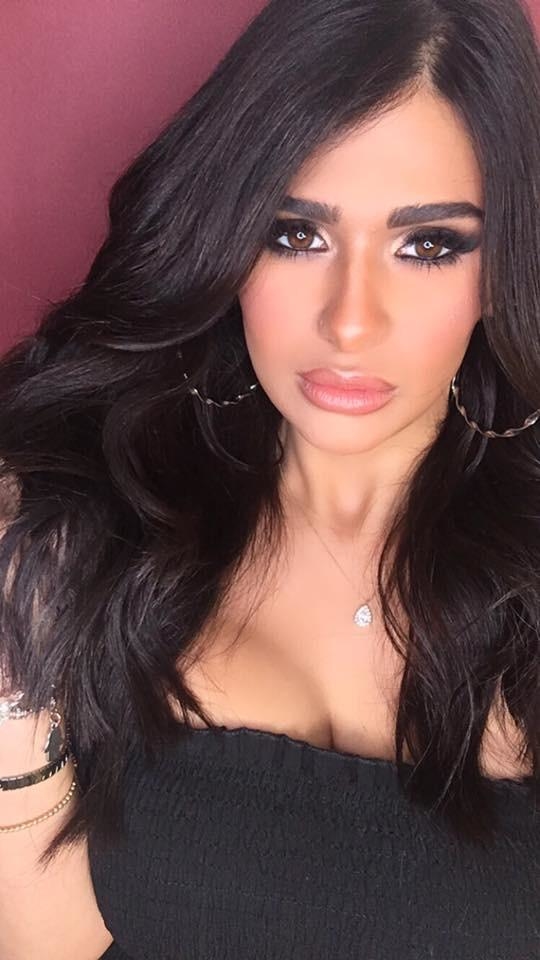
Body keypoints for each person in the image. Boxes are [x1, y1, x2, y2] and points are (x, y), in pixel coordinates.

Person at [1, 0, 539, 957]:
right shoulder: (89, 519)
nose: (351, 321)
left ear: (504, 267)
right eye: (296, 234)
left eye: (428, 245)